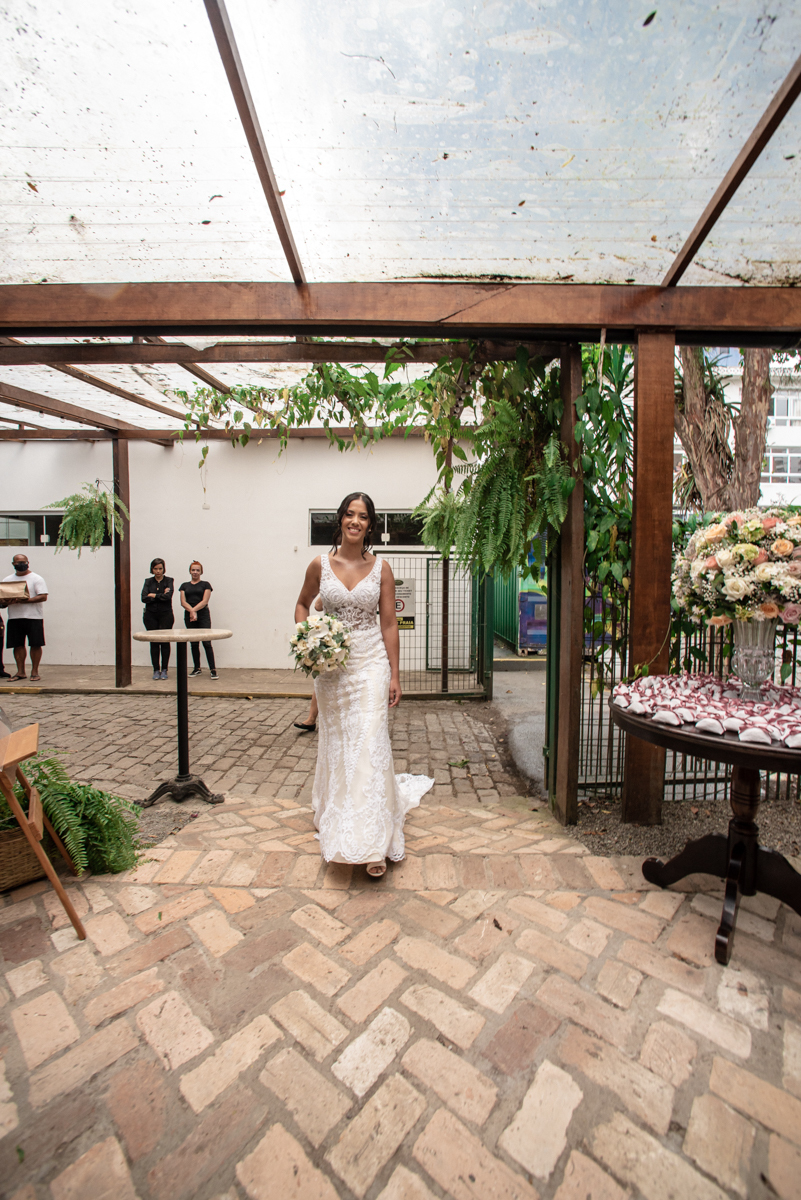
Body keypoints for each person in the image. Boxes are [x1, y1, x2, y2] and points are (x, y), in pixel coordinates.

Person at [295, 491, 433, 877]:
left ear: (370, 524)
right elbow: (302, 605)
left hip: (371, 662)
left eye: (363, 516)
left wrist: (394, 673)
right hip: (334, 670)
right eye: (349, 515)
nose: (355, 521)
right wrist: (311, 636)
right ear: (340, 520)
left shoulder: (382, 568)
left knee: (370, 740)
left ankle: (373, 842)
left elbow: (389, 623)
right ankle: (337, 813)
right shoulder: (319, 565)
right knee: (340, 745)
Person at [1, 553, 48, 681]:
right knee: (17, 645)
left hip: (34, 617)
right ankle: (20, 672)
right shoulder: (7, 580)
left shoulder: (36, 578)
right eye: (18, 563)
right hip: (15, 617)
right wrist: (6, 602)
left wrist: (24, 600)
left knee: (35, 644)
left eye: (23, 562)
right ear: (13, 564)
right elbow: (3, 600)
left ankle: (35, 671)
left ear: (28, 563)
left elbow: (43, 596)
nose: (21, 565)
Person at [180, 561, 218, 680]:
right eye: (193, 570)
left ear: (201, 571)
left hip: (203, 615)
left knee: (206, 642)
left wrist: (194, 611)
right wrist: (191, 612)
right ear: (190, 571)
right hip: (190, 616)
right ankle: (197, 668)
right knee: (194, 643)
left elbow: (205, 601)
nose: (195, 572)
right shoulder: (184, 586)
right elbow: (183, 602)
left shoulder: (206, 585)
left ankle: (213, 669)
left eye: (197, 570)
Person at [141, 557, 174, 680]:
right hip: (151, 615)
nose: (158, 571)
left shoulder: (169, 580)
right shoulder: (148, 581)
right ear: (152, 569)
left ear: (164, 569)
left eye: (160, 568)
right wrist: (161, 595)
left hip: (166, 615)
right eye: (155, 569)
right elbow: (144, 598)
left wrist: (153, 595)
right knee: (154, 642)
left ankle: (164, 669)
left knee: (165, 641)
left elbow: (168, 597)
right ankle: (156, 669)